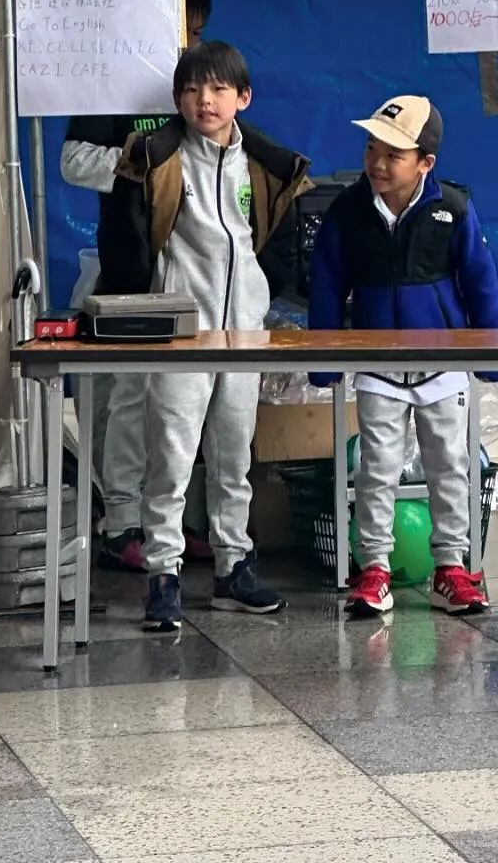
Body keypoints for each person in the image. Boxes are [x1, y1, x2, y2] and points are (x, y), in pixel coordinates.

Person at [109, 39, 312, 632]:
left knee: (232, 458)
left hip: (244, 332)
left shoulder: (265, 164)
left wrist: (260, 298)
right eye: (194, 89)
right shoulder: (158, 157)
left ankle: (233, 569)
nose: (206, 99)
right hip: (180, 334)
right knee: (170, 461)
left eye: (220, 88)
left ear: (242, 98)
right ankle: (163, 577)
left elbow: (272, 242)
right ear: (177, 98)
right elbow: (128, 240)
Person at [309, 96, 498, 620]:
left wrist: (490, 354)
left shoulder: (454, 209)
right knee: (376, 470)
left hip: (443, 366)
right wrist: (324, 361)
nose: (377, 162)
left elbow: (481, 282)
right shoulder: (348, 211)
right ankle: (373, 570)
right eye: (372, 147)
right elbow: (326, 287)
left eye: (394, 153)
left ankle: (451, 568)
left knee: (451, 467)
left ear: (426, 163)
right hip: (377, 366)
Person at [60, 0, 215, 573]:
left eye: (196, 31)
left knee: (185, 397)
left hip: (194, 267)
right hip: (130, 264)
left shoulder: (207, 86)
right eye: (180, 27)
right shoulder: (116, 80)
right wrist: (130, 164)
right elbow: (72, 160)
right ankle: (121, 522)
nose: (187, 41)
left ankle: (173, 522)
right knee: (128, 395)